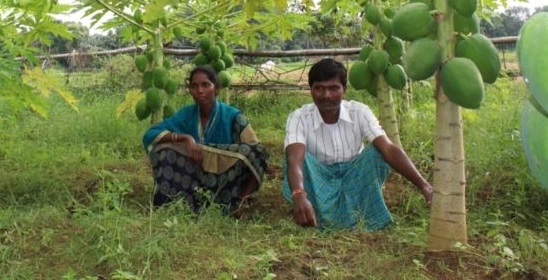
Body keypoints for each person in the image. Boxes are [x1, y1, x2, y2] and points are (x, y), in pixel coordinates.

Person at [283, 58, 433, 230]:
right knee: (295, 160)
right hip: (319, 179)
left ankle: (328, 216)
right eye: (319, 88)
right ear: (311, 90)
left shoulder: (359, 112)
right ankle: (324, 212)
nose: (326, 95)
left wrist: (424, 185)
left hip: (354, 177)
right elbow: (294, 159)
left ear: (344, 90)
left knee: (377, 153)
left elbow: (389, 149)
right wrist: (299, 194)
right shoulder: (299, 117)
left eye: (334, 88)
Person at [143, 65, 269, 215]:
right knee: (165, 150)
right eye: (194, 86)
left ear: (216, 89)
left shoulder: (232, 116)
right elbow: (151, 134)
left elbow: (257, 152)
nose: (200, 91)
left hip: (226, 183)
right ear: (190, 90)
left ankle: (240, 203)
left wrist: (244, 197)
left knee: (256, 151)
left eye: (205, 85)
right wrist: (186, 138)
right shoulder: (186, 114)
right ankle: (175, 202)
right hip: (192, 180)